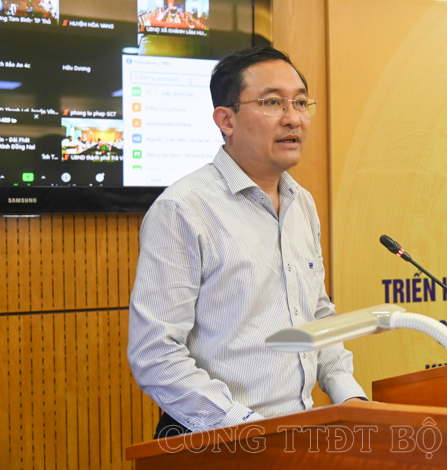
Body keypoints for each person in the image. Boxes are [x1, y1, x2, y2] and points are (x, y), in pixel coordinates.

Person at [127, 46, 367, 438]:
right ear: (226, 120)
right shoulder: (183, 209)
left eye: (301, 102)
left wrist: (350, 397)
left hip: (296, 434)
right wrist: (247, 427)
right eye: (272, 102)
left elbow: (316, 315)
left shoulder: (301, 203)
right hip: (218, 440)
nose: (293, 118)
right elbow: (155, 354)